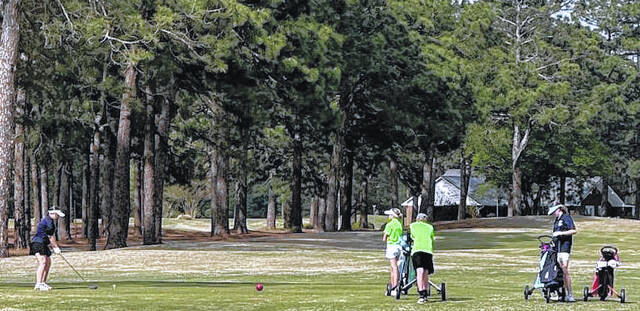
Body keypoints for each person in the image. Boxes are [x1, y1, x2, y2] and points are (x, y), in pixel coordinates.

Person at [29, 207, 65, 291]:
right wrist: (55, 247)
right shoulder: (48, 222)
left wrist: (54, 247)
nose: (58, 217)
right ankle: (39, 283)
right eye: (57, 215)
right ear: (52, 214)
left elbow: (50, 237)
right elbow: (50, 237)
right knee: (43, 262)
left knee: (48, 262)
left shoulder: (50, 221)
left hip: (43, 243)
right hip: (38, 243)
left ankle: (43, 282)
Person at [548, 204, 577, 302]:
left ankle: (570, 294)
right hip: (557, 248)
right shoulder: (556, 220)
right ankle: (560, 293)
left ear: (559, 210)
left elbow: (573, 230)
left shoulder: (566, 218)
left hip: (565, 247)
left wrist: (561, 233)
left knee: (564, 270)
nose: (553, 214)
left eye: (554, 211)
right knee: (557, 270)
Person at [409, 213, 435, 304]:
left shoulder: (412, 226)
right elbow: (432, 238)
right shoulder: (430, 227)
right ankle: (425, 292)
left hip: (417, 250)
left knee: (419, 271)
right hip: (428, 251)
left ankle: (421, 293)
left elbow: (412, 237)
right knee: (425, 272)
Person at [383, 208, 403, 297]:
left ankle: (395, 287)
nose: (388, 216)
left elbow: (384, 238)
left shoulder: (389, 225)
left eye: (390, 215)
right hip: (399, 246)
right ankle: (393, 285)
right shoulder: (399, 223)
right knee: (394, 268)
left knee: (394, 268)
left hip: (392, 246)